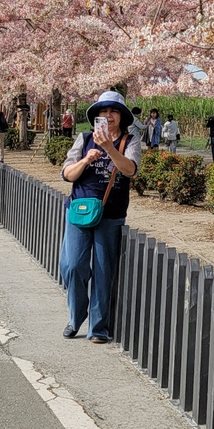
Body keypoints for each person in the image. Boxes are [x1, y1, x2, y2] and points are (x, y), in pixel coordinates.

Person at [60, 90, 142, 343]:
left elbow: (130, 170)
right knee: (73, 266)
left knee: (104, 271)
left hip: (111, 214)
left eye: (114, 111)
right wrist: (86, 160)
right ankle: (76, 317)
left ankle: (98, 328)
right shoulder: (84, 139)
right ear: (96, 116)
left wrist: (109, 148)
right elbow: (67, 174)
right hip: (80, 211)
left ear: (122, 116)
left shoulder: (130, 140)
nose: (108, 116)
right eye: (103, 112)